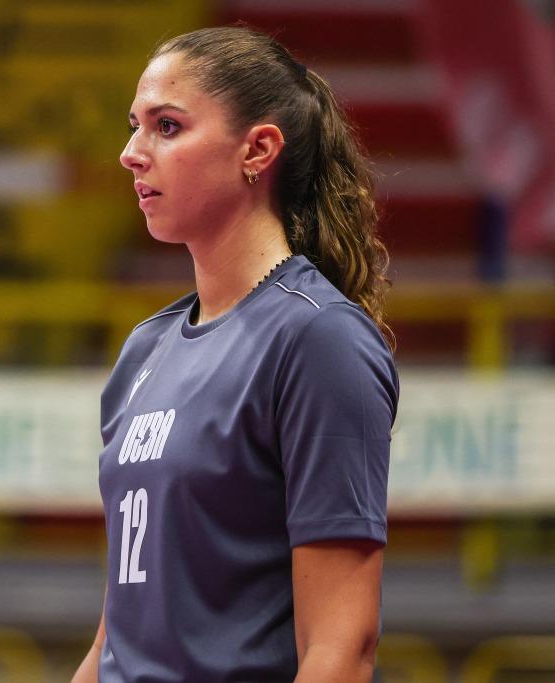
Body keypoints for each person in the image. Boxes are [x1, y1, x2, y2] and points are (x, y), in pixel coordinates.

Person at [72, 25, 399, 683]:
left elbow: (341, 647)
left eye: (167, 126)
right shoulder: (144, 350)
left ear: (258, 150)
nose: (132, 153)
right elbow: (121, 627)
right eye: (134, 126)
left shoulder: (316, 340)